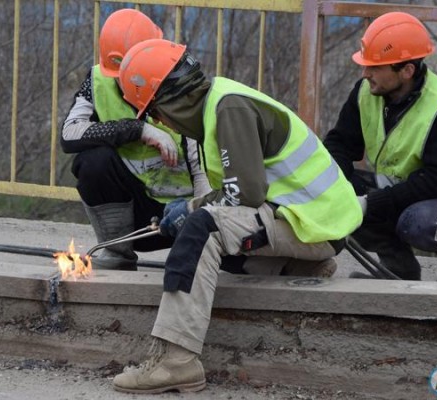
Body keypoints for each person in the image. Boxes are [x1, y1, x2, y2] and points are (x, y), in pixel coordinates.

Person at [110, 38, 363, 394]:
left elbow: (245, 194)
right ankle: (299, 267)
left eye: (153, 112)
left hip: (314, 225)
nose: (160, 122)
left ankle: (176, 361)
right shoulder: (216, 104)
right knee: (208, 249)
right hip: (308, 223)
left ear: (169, 100)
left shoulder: (229, 109)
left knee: (201, 230)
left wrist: (191, 210)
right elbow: (240, 191)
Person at [323, 12, 437, 282]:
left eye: (374, 67)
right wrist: (341, 189)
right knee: (343, 194)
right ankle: (399, 270)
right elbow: (339, 144)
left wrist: (370, 203)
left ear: (406, 71)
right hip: (410, 183)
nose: (365, 73)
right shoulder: (366, 91)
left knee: (416, 223)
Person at [60, 9, 210, 271]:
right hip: (134, 222)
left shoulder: (180, 82)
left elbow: (202, 169)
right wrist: (137, 129)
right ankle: (117, 252)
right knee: (92, 160)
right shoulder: (97, 82)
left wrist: (201, 228)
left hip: (181, 215)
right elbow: (69, 134)